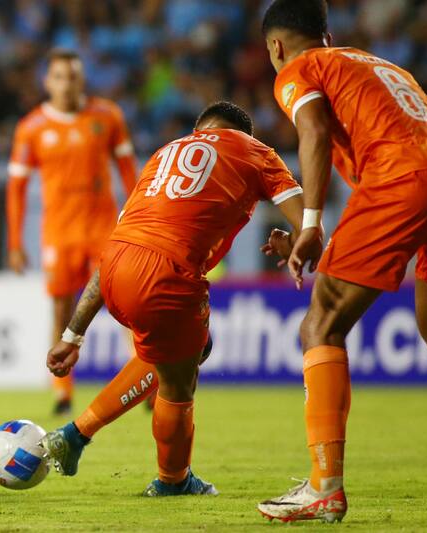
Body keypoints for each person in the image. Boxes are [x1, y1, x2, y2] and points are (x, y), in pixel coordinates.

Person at [258, 0, 427, 523]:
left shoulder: (299, 68)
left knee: (320, 324)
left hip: (400, 177)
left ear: (276, 46)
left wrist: (310, 225)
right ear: (327, 33)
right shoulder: (382, 66)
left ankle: (323, 487)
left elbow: (313, 130)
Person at [40, 102, 304, 496]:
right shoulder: (255, 151)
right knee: (179, 384)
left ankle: (76, 435)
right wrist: (296, 241)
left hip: (114, 269)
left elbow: (118, 244)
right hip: (165, 275)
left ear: (200, 129)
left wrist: (72, 335)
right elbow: (308, 222)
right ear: (241, 133)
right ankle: (173, 480)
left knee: (183, 351)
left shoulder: (163, 157)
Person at [6, 48, 138, 415]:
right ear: (47, 82)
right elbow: (16, 188)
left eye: (73, 76)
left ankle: (142, 380)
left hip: (104, 230)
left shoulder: (107, 116)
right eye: (59, 77)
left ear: (83, 80)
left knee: (124, 304)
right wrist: (15, 242)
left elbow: (129, 172)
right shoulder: (31, 128)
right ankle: (62, 391)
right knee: (62, 310)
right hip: (59, 235)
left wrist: (139, 218)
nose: (67, 84)